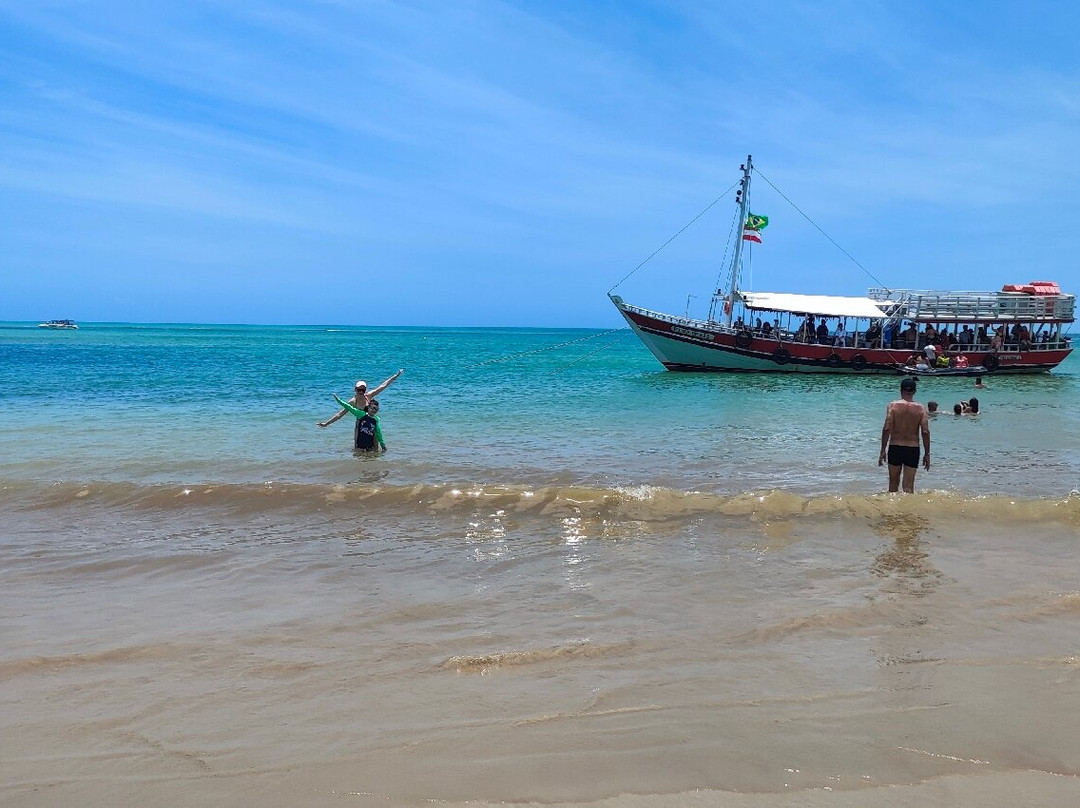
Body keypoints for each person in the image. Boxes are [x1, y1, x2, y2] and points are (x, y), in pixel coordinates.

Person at [878, 377, 931, 493]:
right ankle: (907, 511)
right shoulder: (921, 408)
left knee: (893, 484)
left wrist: (883, 450)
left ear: (900, 390)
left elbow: (887, 428)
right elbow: (925, 432)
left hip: (895, 447)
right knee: (908, 486)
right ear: (914, 391)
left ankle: (891, 510)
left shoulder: (893, 406)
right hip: (913, 449)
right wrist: (927, 454)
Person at [317, 369, 403, 430]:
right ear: (355, 389)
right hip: (360, 426)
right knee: (358, 449)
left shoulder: (369, 396)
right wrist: (326, 423)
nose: (361, 392)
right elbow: (340, 415)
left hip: (372, 424)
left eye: (363, 390)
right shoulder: (353, 402)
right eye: (359, 390)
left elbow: (383, 386)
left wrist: (395, 376)